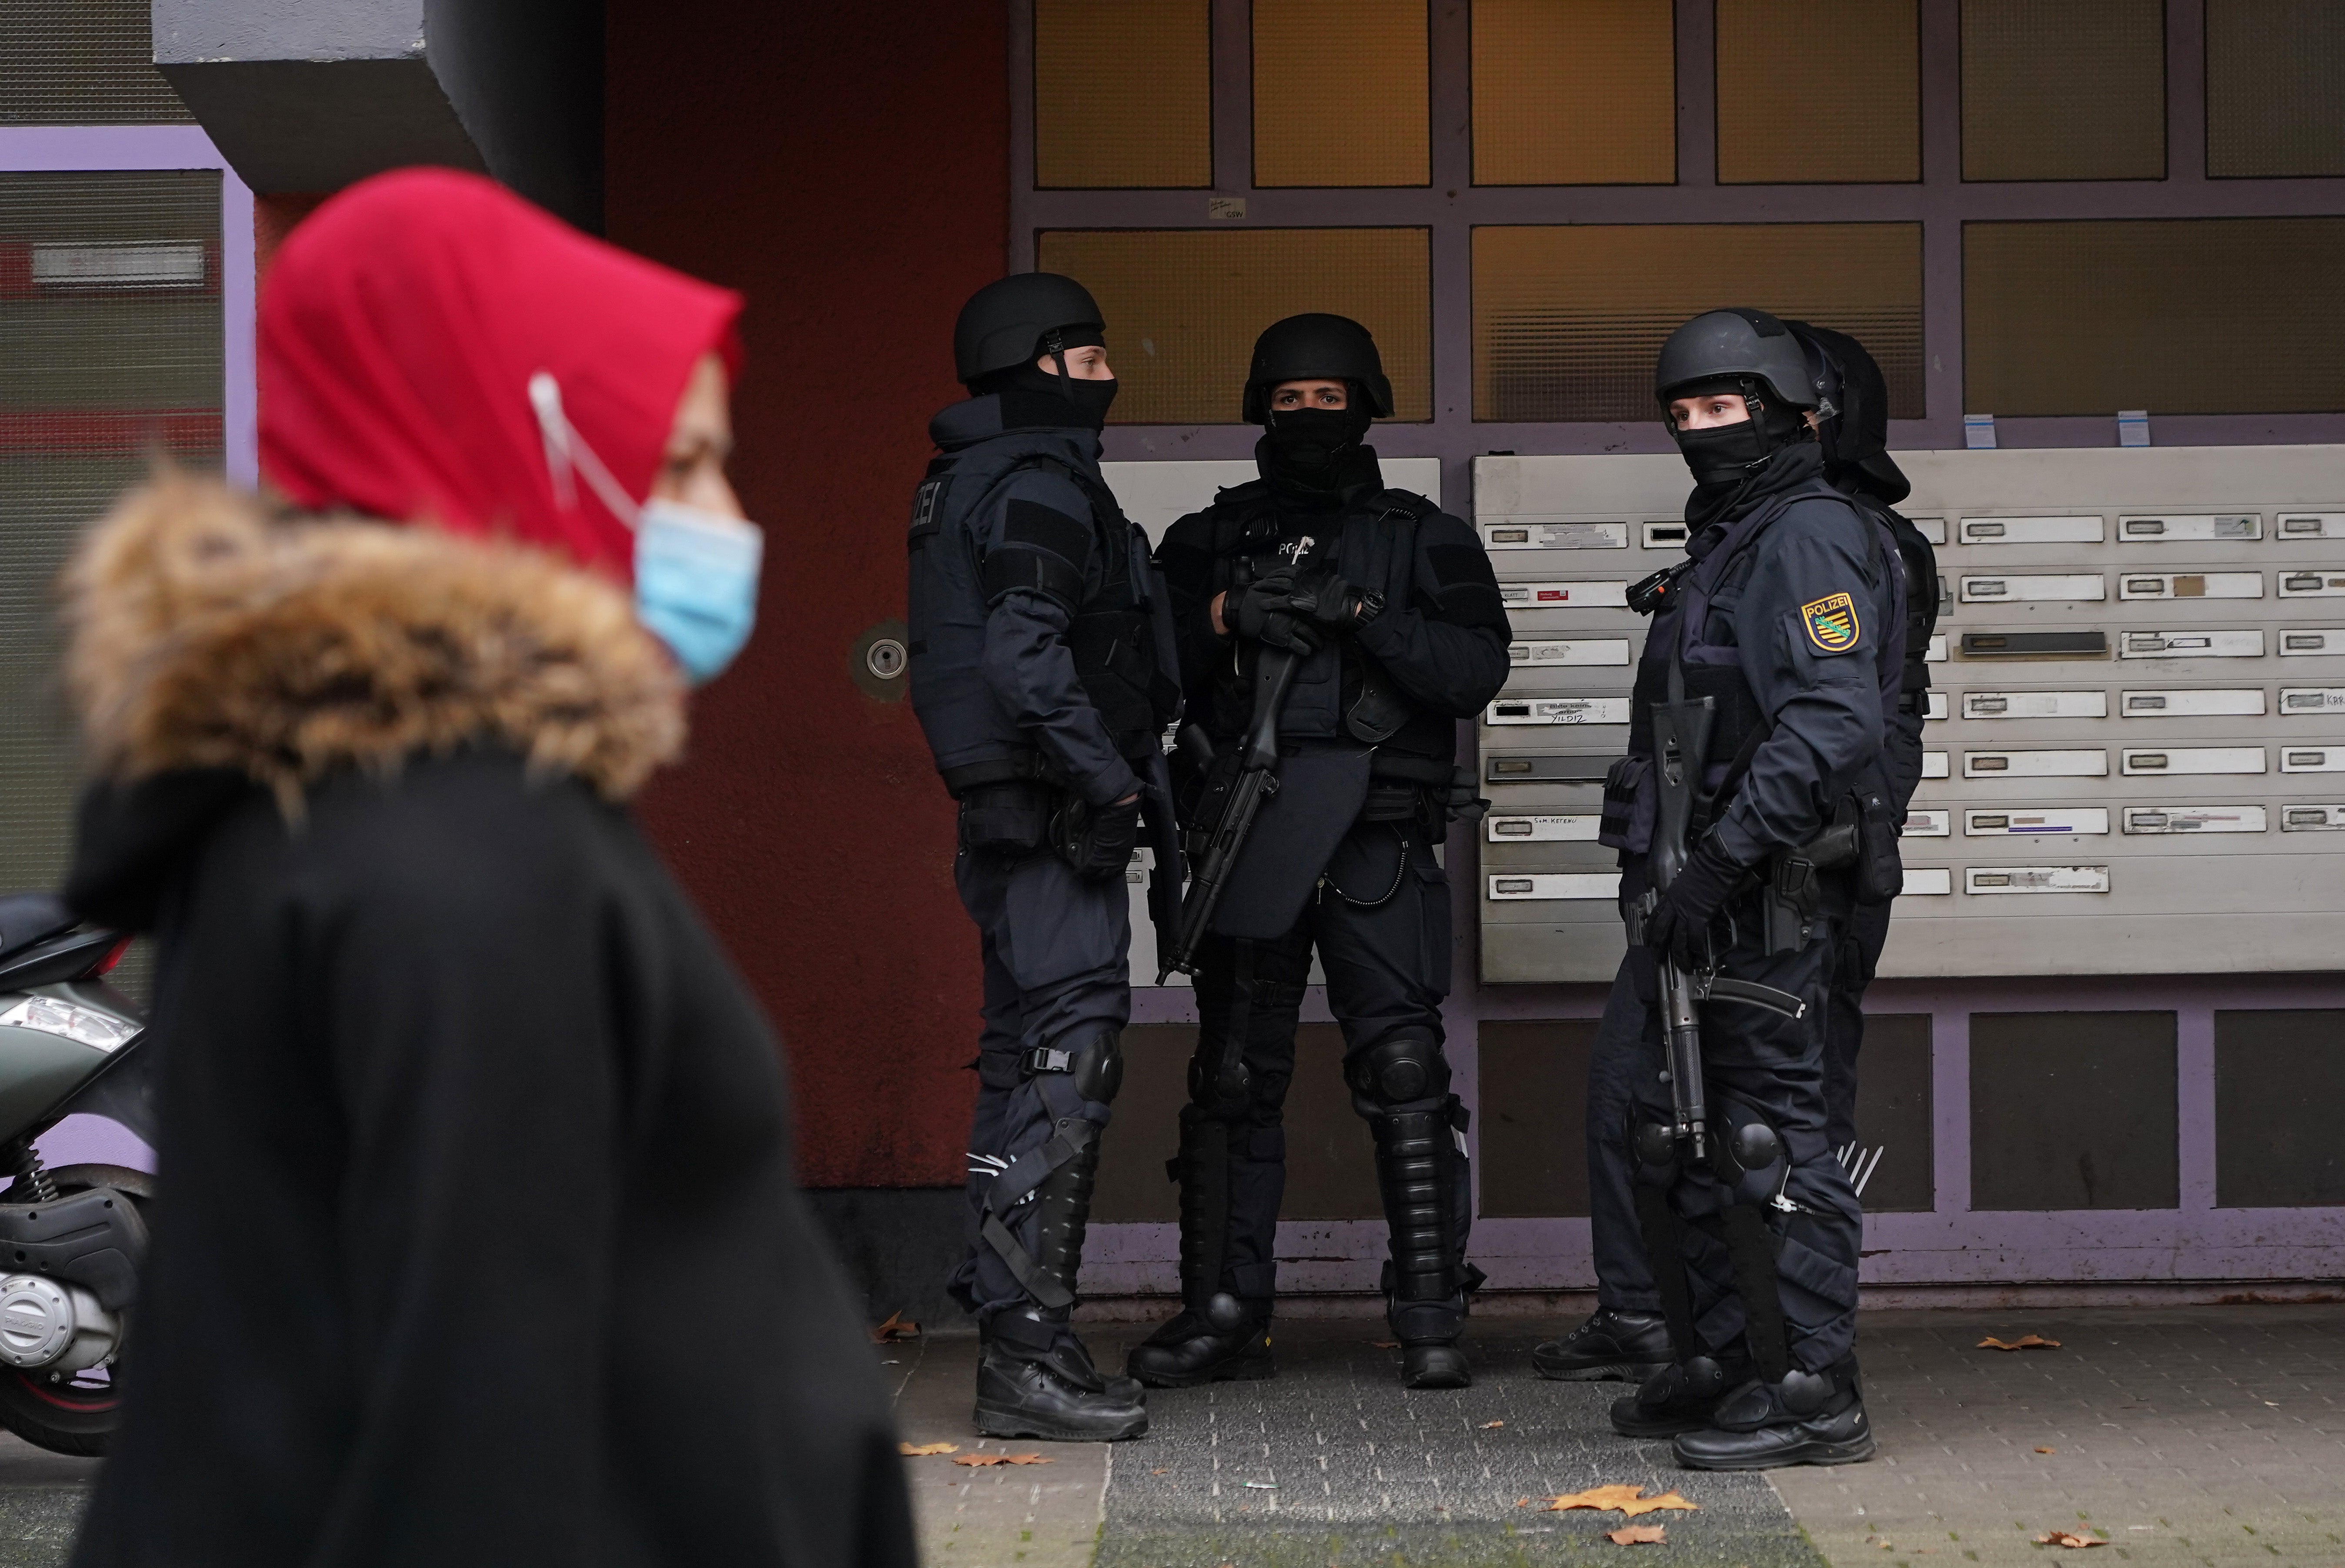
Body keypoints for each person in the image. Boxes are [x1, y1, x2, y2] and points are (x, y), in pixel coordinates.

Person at [58, 168, 915, 1566]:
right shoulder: (461, 857)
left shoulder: (362, 807)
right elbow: (484, 1410)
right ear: (534, 452)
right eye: (685, 461)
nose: (728, 513)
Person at [1534, 323, 1934, 1390]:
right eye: (1684, 415)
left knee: (1772, 1139)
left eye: (1725, 409)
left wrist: (1720, 863)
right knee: (1680, 1129)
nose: (1701, 432)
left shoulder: (1807, 536)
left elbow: (1834, 726)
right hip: (1703, 891)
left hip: (1765, 893)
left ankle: (1808, 1387)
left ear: (1799, 410)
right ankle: (1724, 1357)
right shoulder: (1738, 538)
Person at [1132, 314, 1510, 1392]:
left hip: (1376, 839)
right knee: (1234, 1079)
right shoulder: (1211, 535)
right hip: (1248, 832)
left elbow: (1475, 668)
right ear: (1260, 408)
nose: (1306, 417)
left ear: (1366, 404)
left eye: (1327, 398)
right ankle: (1219, 1310)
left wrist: (1366, 621)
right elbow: (1149, 667)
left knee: (1403, 1074)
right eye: (1286, 400)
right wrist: (1223, 612)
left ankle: (1431, 1311)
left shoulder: (1421, 534)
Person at [905, 272, 1179, 1441]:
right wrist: (1110, 778)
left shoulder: (965, 478)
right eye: (1092, 355)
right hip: (1053, 814)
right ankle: (1025, 1354)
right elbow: (1026, 657)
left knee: (1023, 1058)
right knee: (1073, 1066)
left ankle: (1024, 1318)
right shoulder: (1038, 481)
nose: (1110, 374)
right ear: (1041, 365)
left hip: (1007, 817)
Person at [1784, 324, 1940, 1158]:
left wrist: (1835, 839)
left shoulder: (1863, 541)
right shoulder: (1767, 534)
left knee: (1805, 1087)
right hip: (1737, 859)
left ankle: (1810, 1278)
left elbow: (1873, 721)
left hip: (1819, 862)